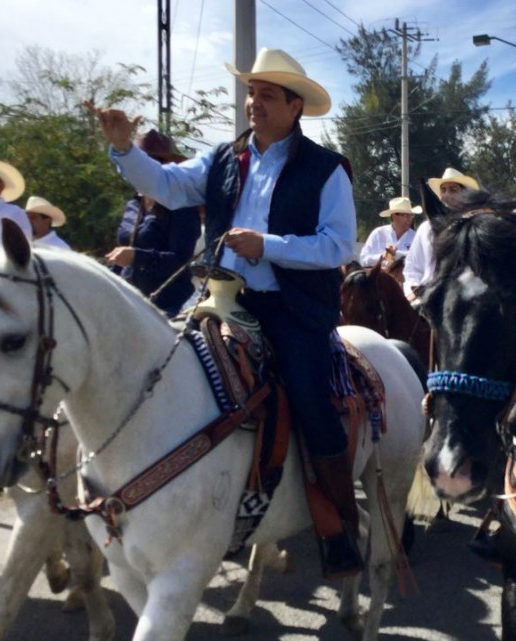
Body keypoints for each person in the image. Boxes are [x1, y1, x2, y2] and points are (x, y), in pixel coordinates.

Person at [89, 48, 361, 577]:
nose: (253, 103)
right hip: (218, 297)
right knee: (159, 368)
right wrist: (123, 147)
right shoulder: (220, 158)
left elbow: (339, 246)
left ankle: (338, 524)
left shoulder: (327, 171)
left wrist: (270, 245)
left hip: (291, 307)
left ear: (294, 106)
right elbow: (166, 186)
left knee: (308, 396)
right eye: (251, 93)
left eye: (265, 94)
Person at [106, 130, 201, 318]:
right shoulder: (133, 205)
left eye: (155, 160)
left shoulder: (181, 207)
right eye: (143, 161)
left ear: (166, 165)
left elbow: (182, 261)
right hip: (130, 300)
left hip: (171, 304)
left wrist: (136, 257)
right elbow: (123, 252)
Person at [403, 167, 479, 299]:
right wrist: (413, 288)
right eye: (443, 190)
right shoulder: (425, 228)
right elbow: (412, 268)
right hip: (427, 297)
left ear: (465, 195)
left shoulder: (474, 226)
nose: (447, 194)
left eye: (453, 190)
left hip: (464, 297)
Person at [359, 196, 420, 267]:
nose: (409, 219)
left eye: (411, 215)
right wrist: (382, 256)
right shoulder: (378, 233)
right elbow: (363, 259)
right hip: (380, 277)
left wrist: (394, 254)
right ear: (394, 216)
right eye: (405, 215)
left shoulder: (416, 237)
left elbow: (420, 259)